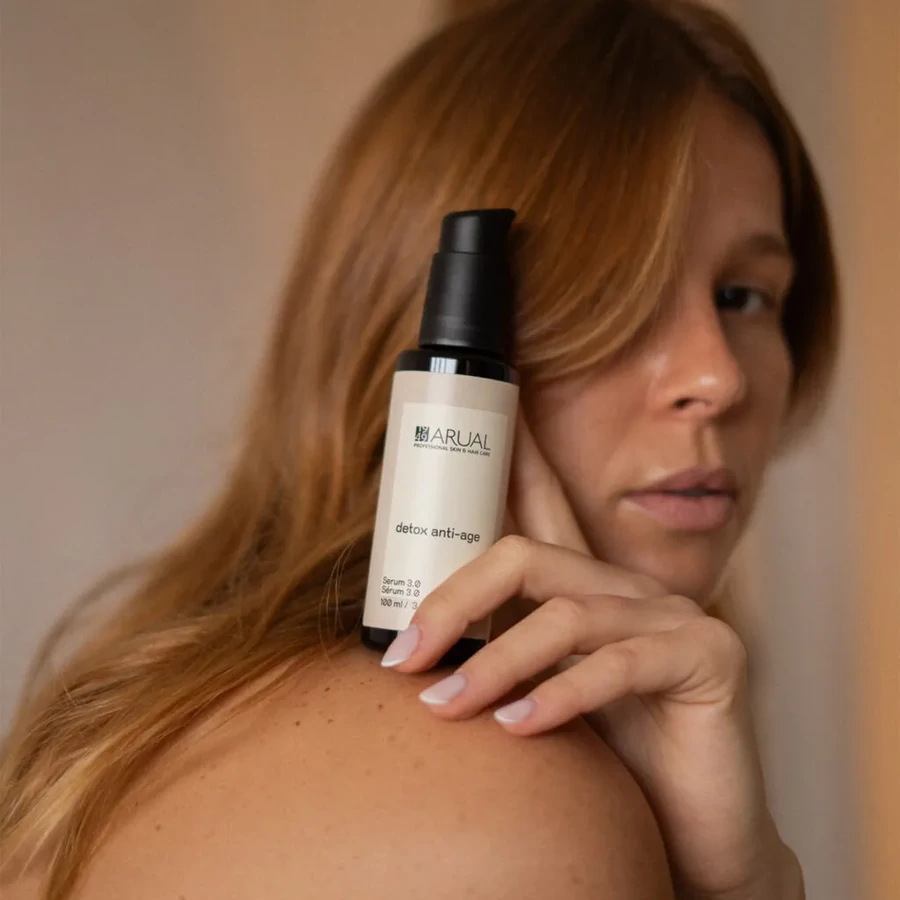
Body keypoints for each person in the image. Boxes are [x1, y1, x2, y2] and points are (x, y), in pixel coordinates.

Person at [1, 0, 838, 897]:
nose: (719, 378)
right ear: (435, 332)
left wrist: (749, 880)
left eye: (745, 296)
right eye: (614, 296)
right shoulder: (503, 797)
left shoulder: (226, 704)